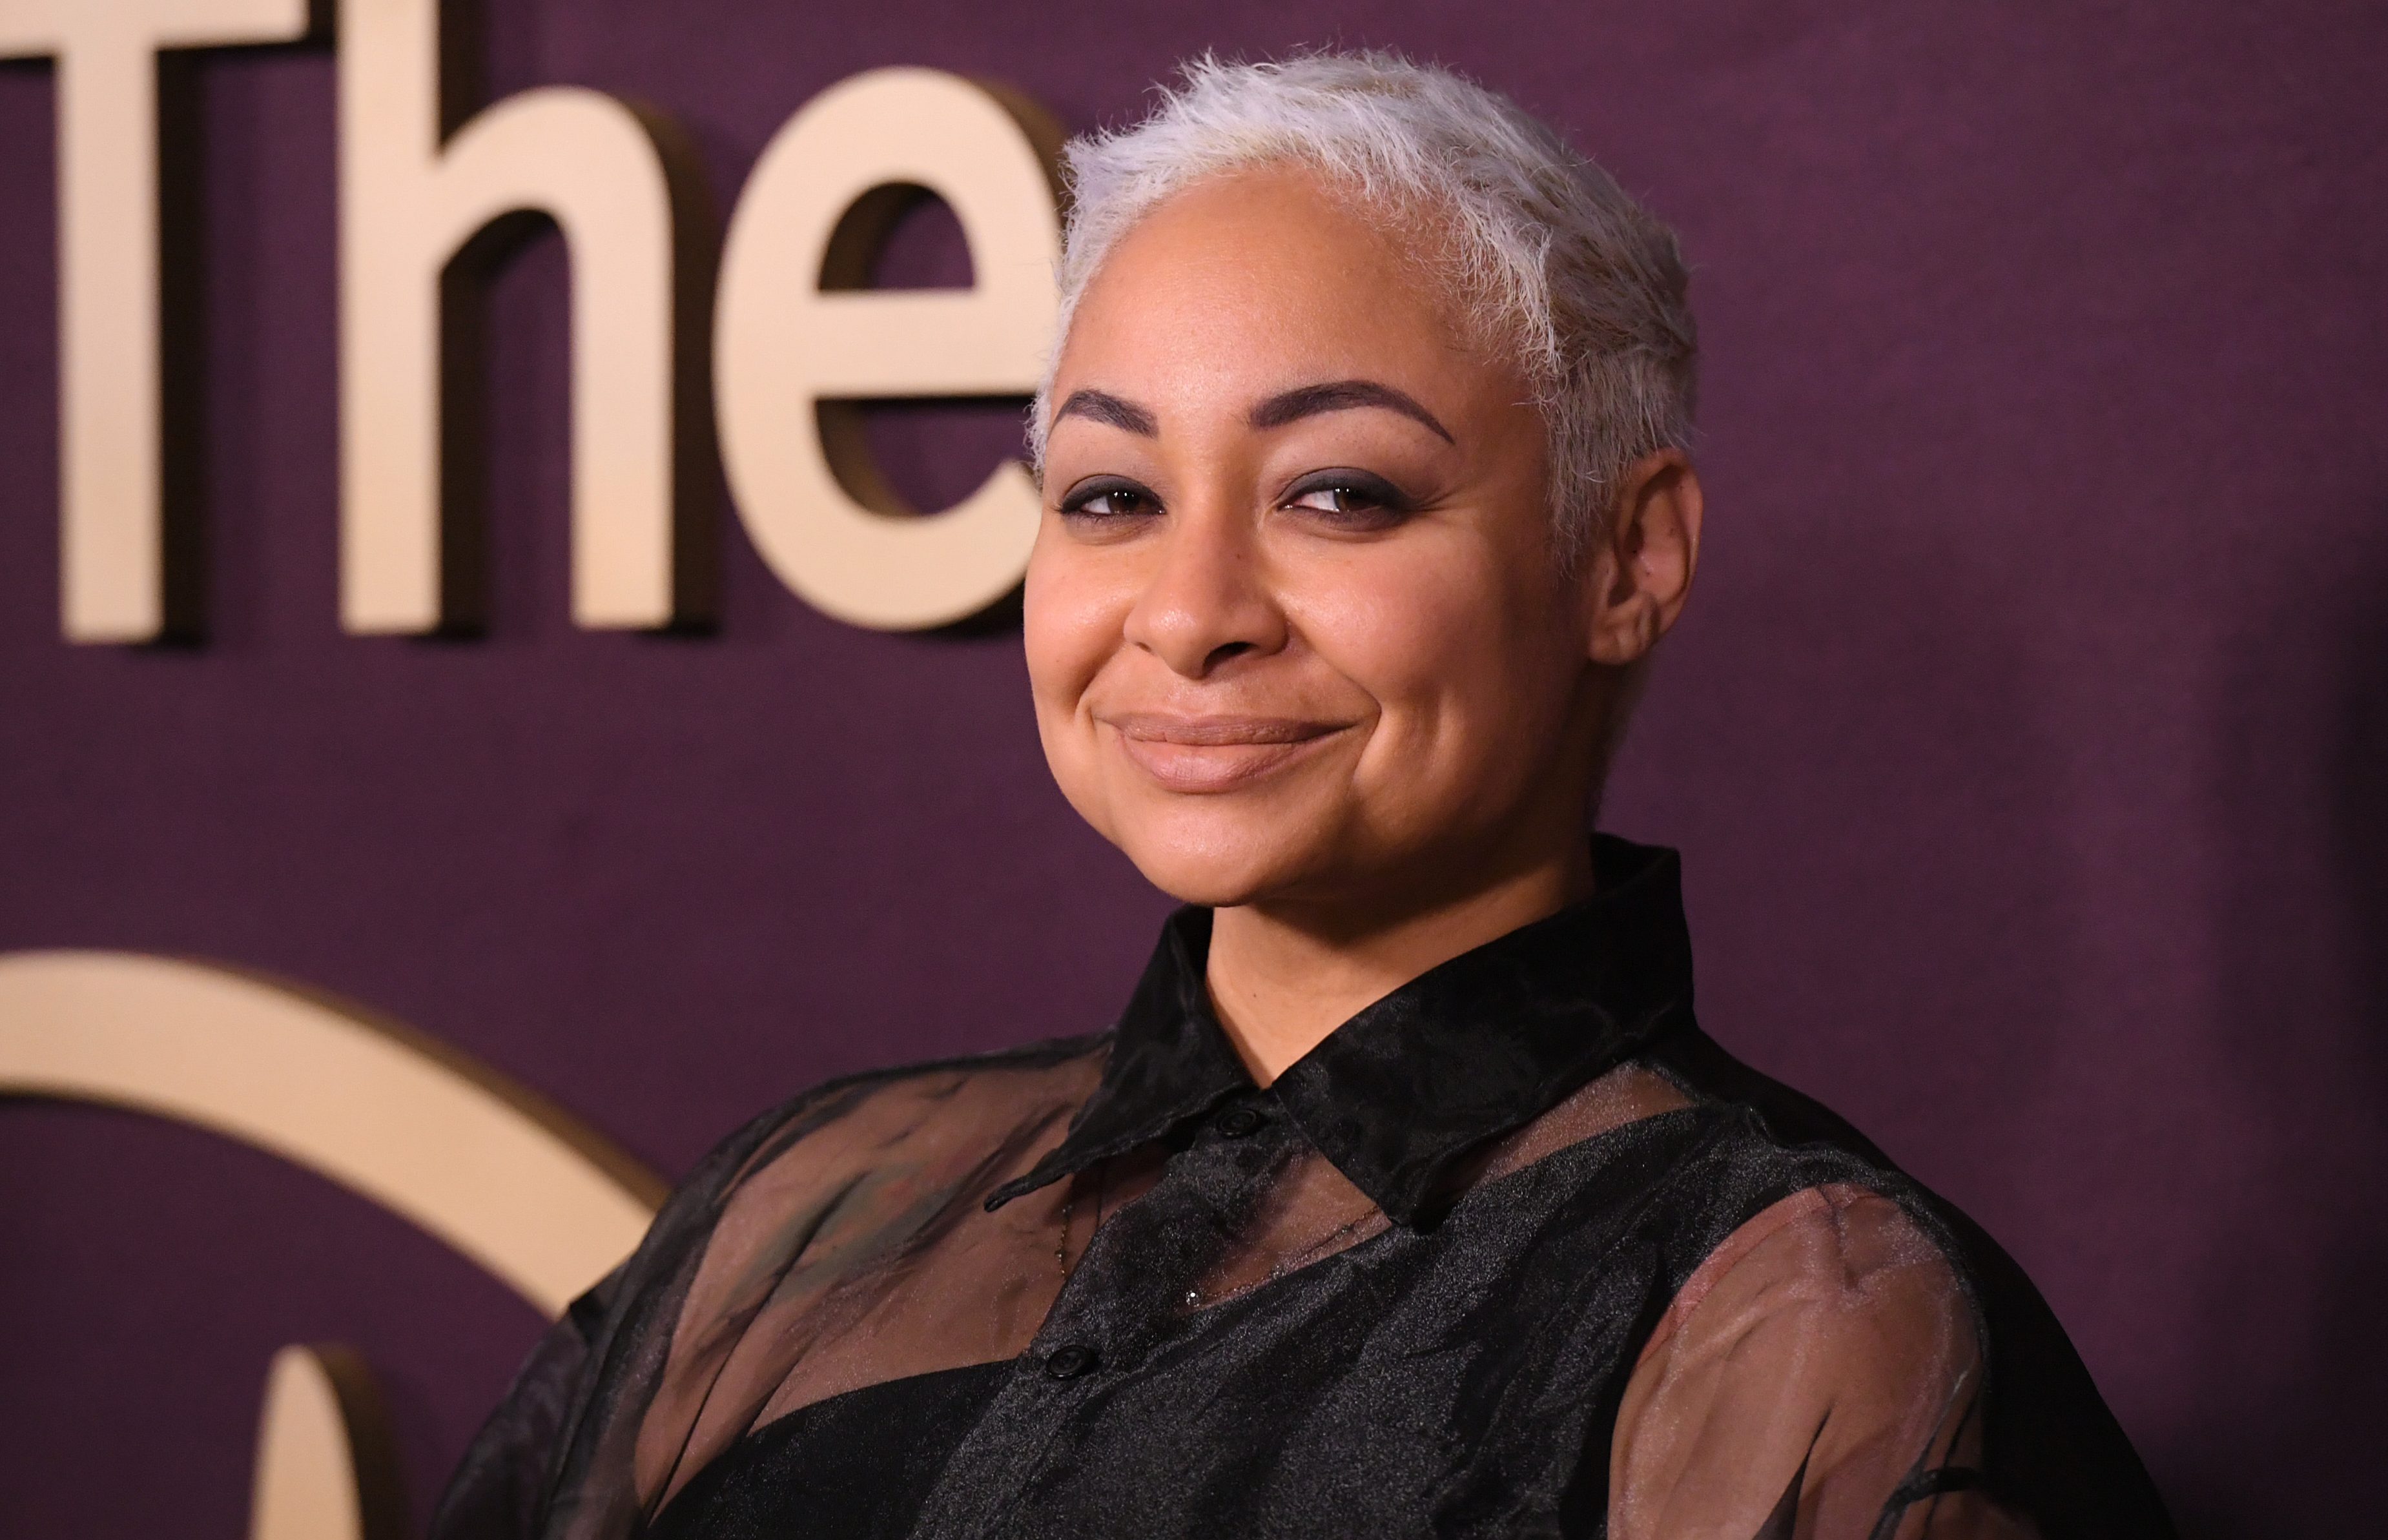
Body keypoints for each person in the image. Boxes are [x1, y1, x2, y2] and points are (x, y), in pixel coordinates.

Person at [434, 52, 2175, 1540]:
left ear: (1626, 555)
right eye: (1109, 494)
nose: (1190, 615)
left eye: (1337, 493)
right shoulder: (796, 1203)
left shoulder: (1796, 1304)